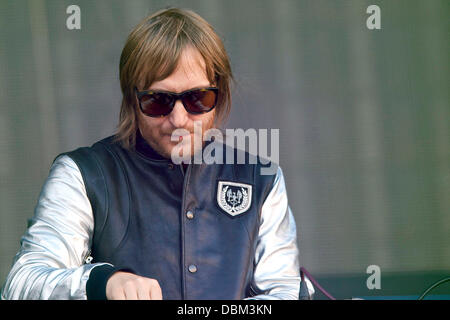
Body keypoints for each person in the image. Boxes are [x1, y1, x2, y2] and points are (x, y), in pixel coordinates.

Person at [1, 7, 312, 300]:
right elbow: (21, 283)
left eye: (197, 98)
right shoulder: (82, 173)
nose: (178, 119)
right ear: (132, 100)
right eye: (158, 101)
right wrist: (101, 282)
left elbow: (281, 291)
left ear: (220, 96)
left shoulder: (260, 178)